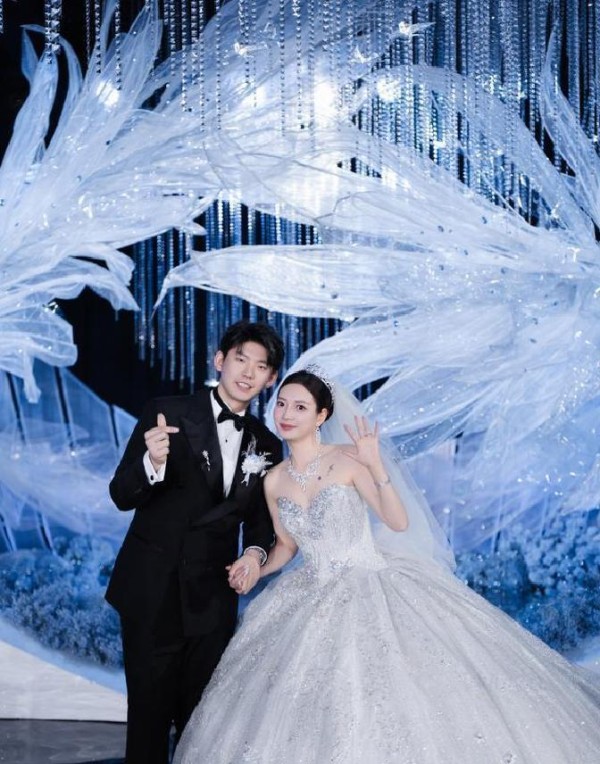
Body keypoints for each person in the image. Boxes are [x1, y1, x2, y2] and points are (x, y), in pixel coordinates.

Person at [173, 364, 600, 763]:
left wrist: (376, 466)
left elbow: (397, 521)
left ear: (322, 415)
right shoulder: (274, 479)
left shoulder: (348, 459)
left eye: (300, 407)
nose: (286, 414)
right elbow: (286, 545)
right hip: (308, 590)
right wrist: (257, 567)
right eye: (282, 404)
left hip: (370, 582)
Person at [105, 320, 284, 764]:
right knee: (147, 722)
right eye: (240, 359)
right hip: (153, 591)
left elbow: (260, 524)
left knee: (200, 727)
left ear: (270, 379)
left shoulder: (266, 444)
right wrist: (151, 462)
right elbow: (121, 494)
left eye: (261, 366)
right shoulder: (165, 413)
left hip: (212, 601)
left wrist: (254, 555)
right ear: (219, 360)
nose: (248, 372)